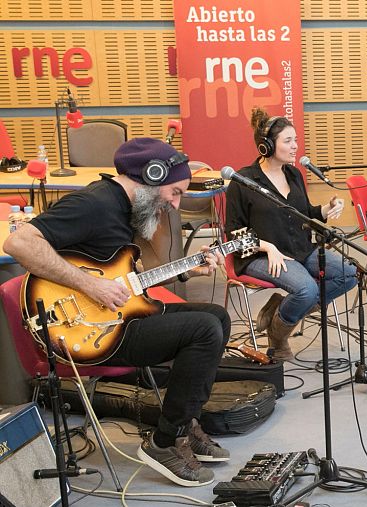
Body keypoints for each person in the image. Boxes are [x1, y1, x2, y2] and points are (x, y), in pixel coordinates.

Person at [4, 138, 231, 487]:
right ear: (151, 177)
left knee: (217, 317)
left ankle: (184, 425)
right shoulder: (93, 203)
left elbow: (120, 277)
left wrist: (186, 270)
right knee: (202, 330)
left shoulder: (125, 209)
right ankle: (165, 442)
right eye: (173, 193)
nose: (174, 204)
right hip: (87, 331)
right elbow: (18, 242)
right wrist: (89, 286)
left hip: (117, 316)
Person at [225, 108, 357, 361]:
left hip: (299, 249)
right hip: (258, 256)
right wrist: (268, 247)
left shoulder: (293, 174)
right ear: (266, 146)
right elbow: (234, 233)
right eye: (288, 141)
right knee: (307, 289)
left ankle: (279, 315)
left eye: (295, 140)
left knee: (349, 274)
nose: (296, 146)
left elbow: (304, 213)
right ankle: (278, 338)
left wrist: (328, 208)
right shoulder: (243, 181)